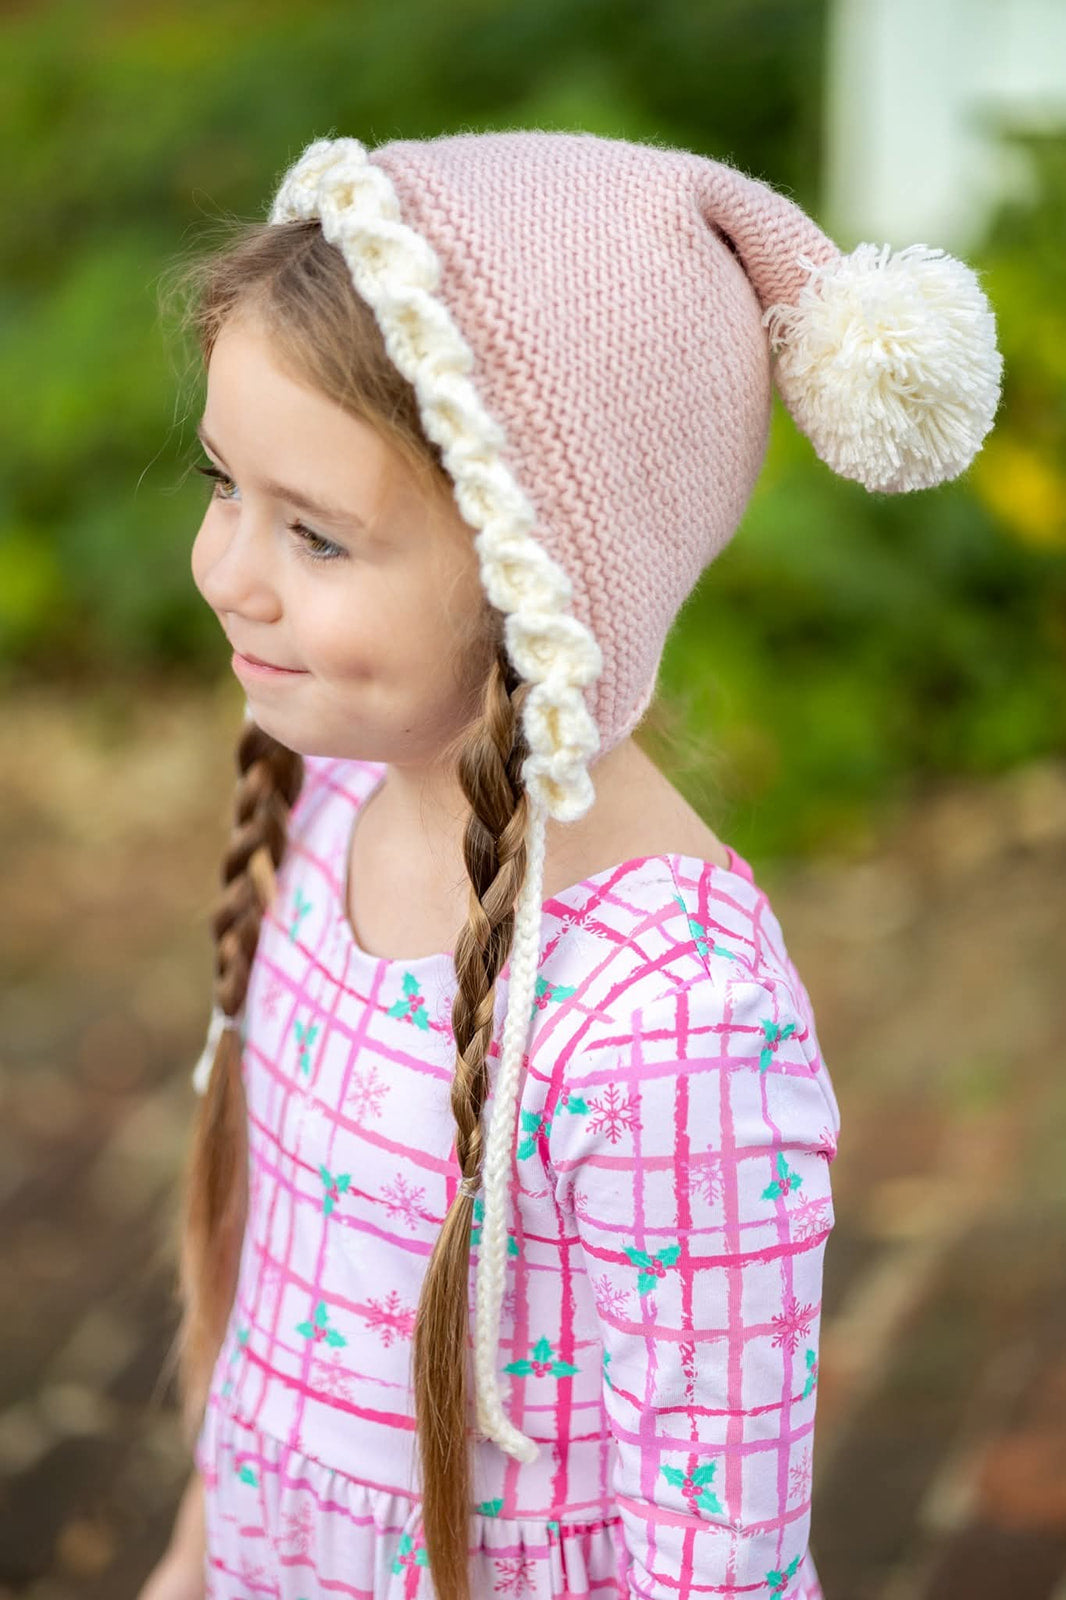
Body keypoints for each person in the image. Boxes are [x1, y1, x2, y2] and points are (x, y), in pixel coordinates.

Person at [140, 129, 1002, 1600]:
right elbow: (278, 1298)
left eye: (318, 537)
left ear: (539, 578)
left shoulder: (672, 1021)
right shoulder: (329, 800)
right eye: (225, 485)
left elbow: (714, 1555)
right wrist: (191, 1551)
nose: (226, 571)